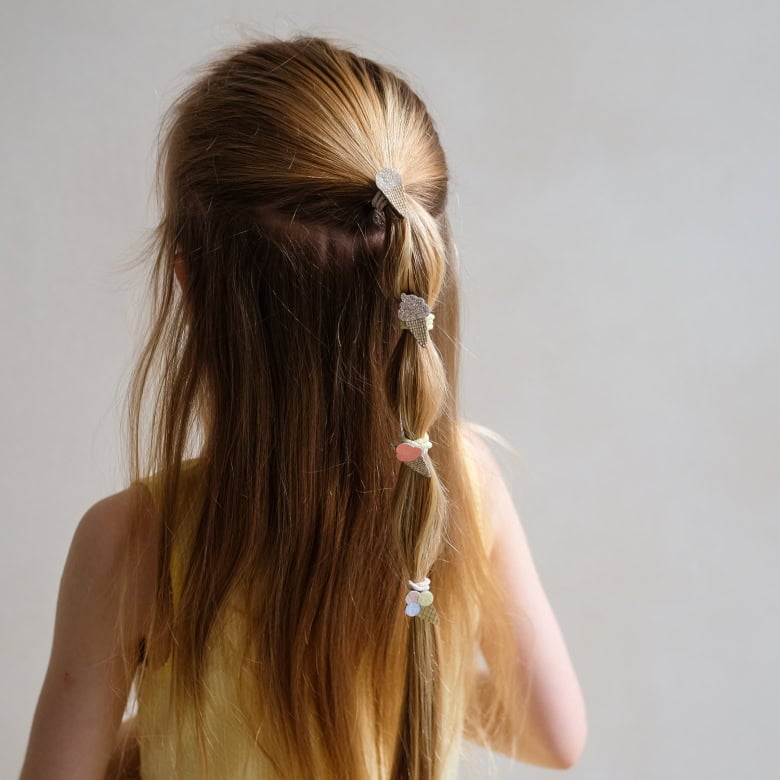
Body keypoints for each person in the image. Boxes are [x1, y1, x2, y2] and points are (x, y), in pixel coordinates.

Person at [19, 35, 587, 780]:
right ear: (420, 268)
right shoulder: (461, 480)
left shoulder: (132, 542)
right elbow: (555, 735)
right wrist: (380, 697)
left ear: (189, 284)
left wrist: (155, 735)